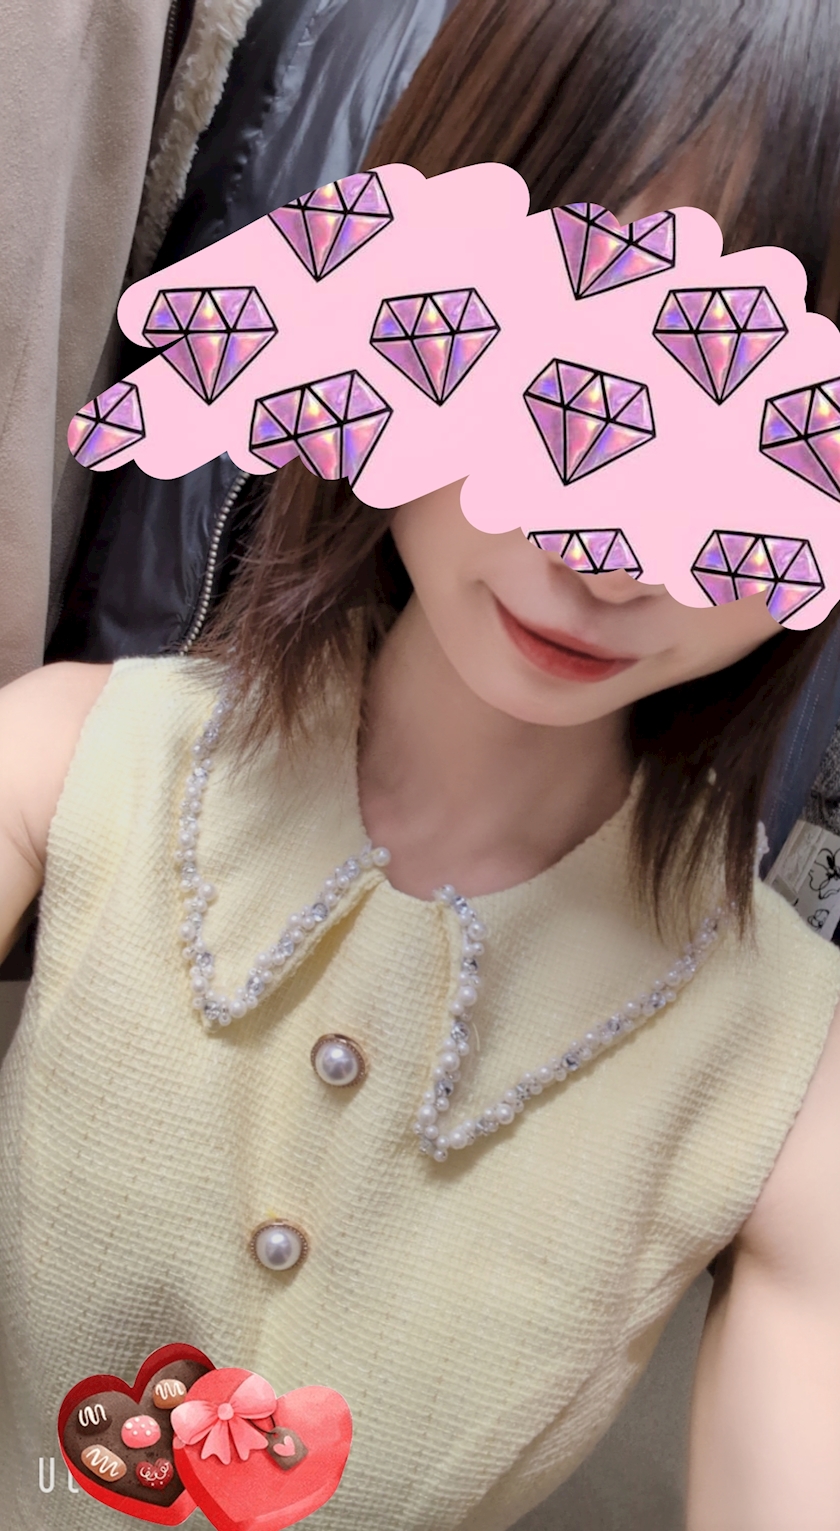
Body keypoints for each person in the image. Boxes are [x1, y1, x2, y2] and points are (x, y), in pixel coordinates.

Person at [2, 4, 840, 1530]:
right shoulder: (64, 766)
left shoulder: (791, 1072)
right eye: (566, 371)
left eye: (757, 442)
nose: (607, 554)